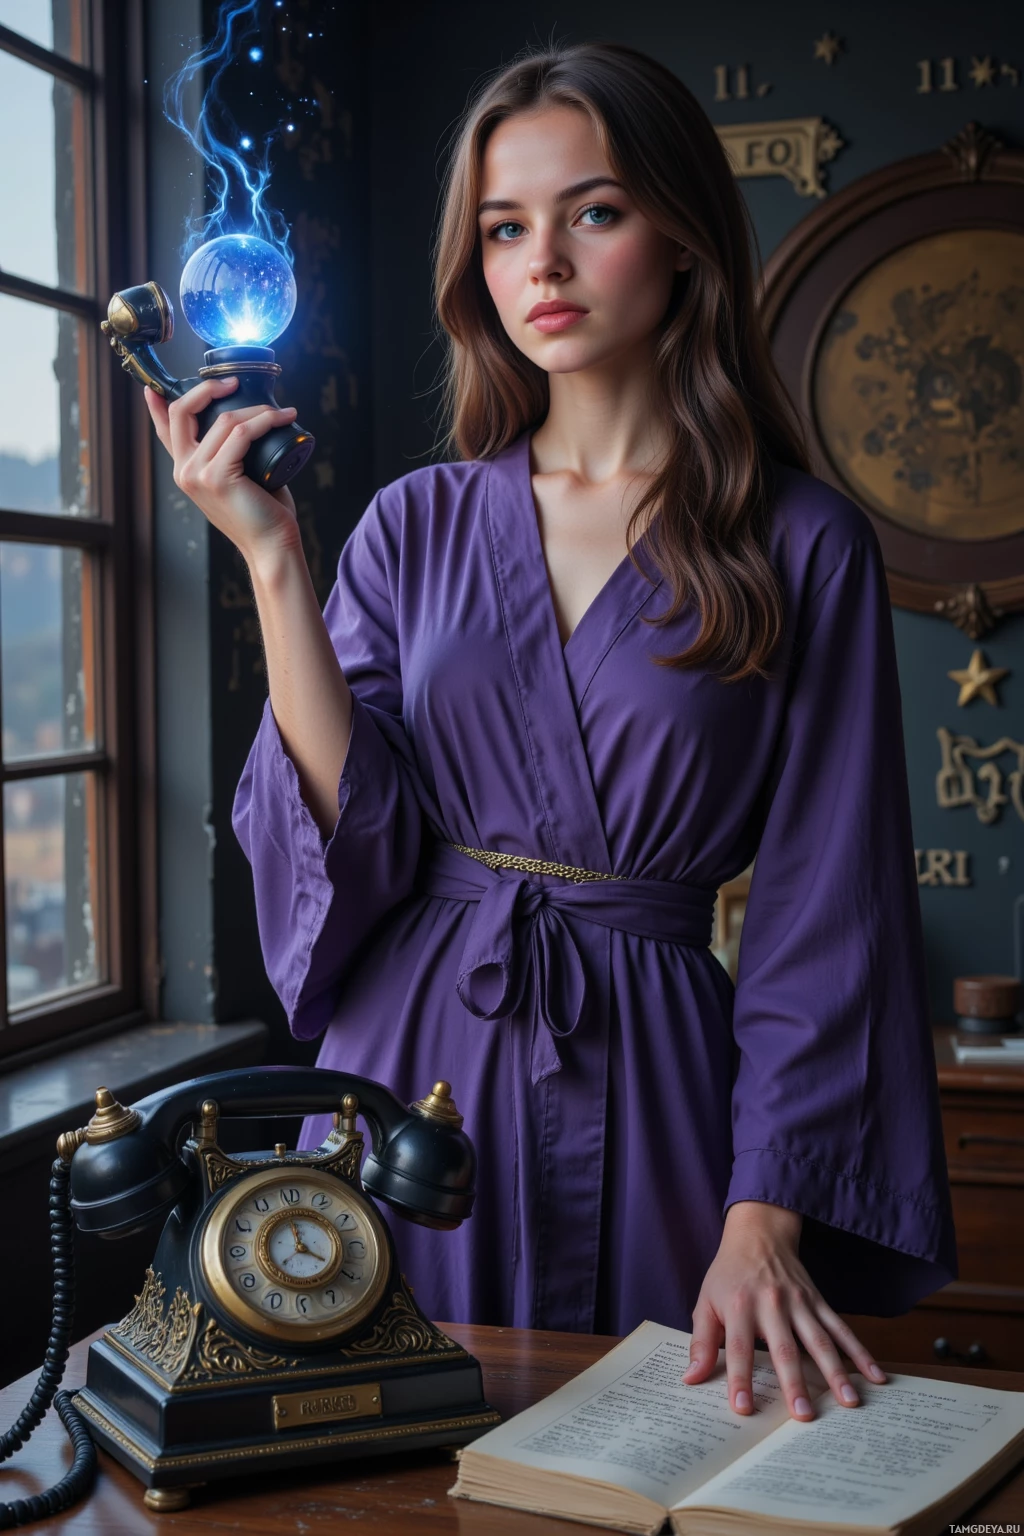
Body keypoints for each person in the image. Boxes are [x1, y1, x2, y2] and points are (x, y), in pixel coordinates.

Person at [145, 38, 957, 1427]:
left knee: (652, 1454)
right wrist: (274, 561)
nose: (545, 265)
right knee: (378, 1461)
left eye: (593, 212)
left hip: (660, 1089)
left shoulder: (799, 540)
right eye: (506, 229)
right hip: (413, 1073)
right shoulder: (415, 524)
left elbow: (834, 912)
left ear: (686, 236)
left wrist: (766, 1214)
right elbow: (358, 835)